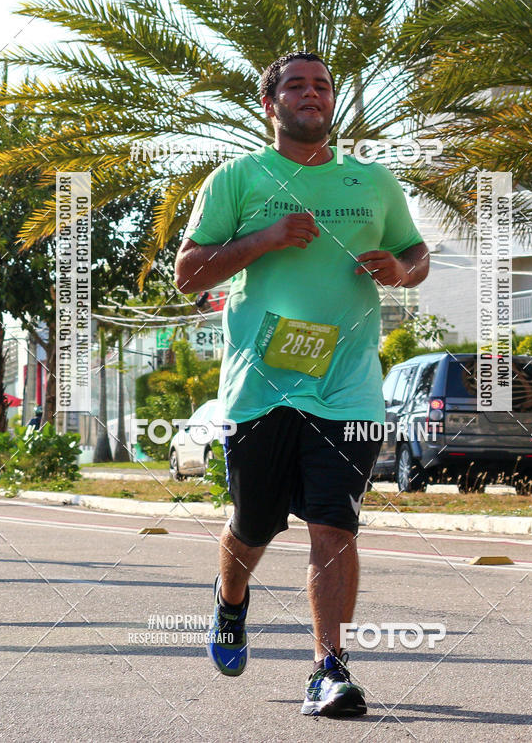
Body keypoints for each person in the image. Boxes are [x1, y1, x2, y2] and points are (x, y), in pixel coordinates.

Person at [174, 52, 429, 717]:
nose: (311, 93)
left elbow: (416, 251)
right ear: (272, 104)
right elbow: (190, 274)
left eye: (322, 85)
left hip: (348, 391)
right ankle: (231, 602)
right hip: (260, 389)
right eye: (296, 84)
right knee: (253, 525)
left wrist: (401, 273)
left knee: (333, 524)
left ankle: (329, 670)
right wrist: (267, 237)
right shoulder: (238, 179)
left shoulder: (372, 182)